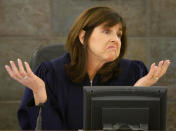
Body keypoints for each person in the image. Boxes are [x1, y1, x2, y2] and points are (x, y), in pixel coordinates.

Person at [5, 6, 170, 130]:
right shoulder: (48, 74)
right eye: (107, 31)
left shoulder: (135, 72)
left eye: (118, 34)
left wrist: (137, 92)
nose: (116, 39)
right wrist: (41, 94)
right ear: (83, 36)